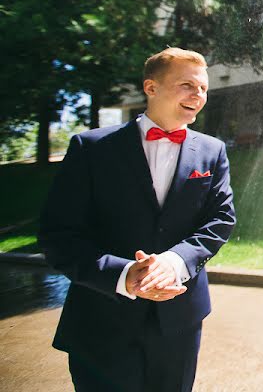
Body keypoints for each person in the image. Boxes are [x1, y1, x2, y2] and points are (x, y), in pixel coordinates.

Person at [39, 48, 236, 392]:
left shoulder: (212, 150)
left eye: (203, 88)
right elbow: (59, 235)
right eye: (187, 85)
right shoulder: (90, 148)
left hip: (179, 322)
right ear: (150, 87)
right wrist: (123, 275)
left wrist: (176, 262)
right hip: (101, 320)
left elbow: (220, 220)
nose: (198, 96)